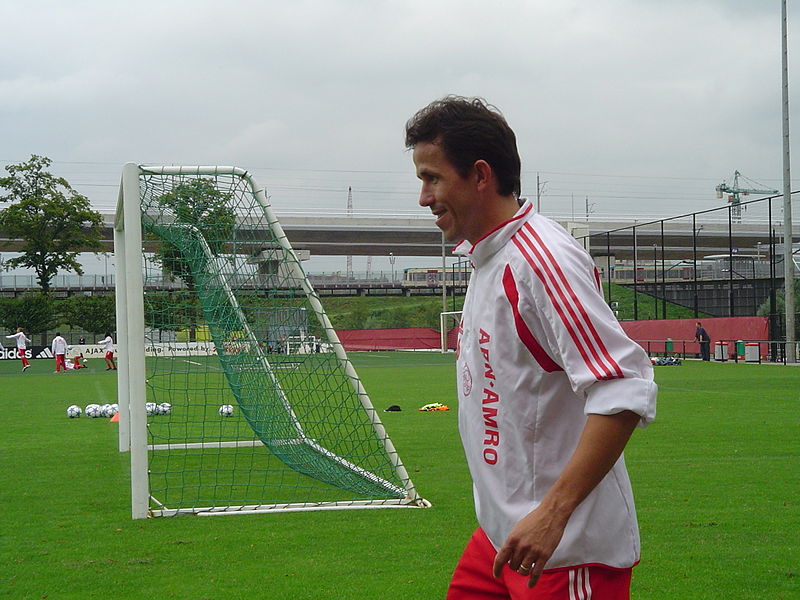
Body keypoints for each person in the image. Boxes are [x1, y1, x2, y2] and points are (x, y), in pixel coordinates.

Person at [405, 96, 657, 599]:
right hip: (500, 543)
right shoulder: (486, 260)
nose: (423, 196)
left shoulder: (542, 261)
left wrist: (552, 514)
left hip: (565, 553)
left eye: (432, 177)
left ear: (480, 175)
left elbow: (624, 387)